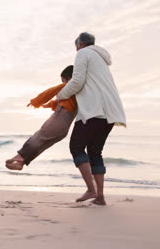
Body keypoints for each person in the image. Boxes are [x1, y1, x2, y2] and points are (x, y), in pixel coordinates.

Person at [56, 32, 126, 205]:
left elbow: (77, 81)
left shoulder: (83, 53)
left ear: (80, 44)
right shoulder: (101, 59)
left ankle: (91, 189)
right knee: (95, 152)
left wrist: (59, 95)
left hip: (94, 110)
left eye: (75, 46)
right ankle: (100, 196)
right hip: (111, 112)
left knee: (76, 147)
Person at [5, 65, 78, 170]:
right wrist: (48, 105)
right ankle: (21, 162)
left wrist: (36, 101)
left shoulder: (69, 85)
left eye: (63, 81)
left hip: (59, 120)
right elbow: (63, 101)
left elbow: (51, 91)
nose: (63, 84)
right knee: (42, 145)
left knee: (37, 137)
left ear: (69, 78)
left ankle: (19, 157)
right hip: (64, 128)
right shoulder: (78, 90)